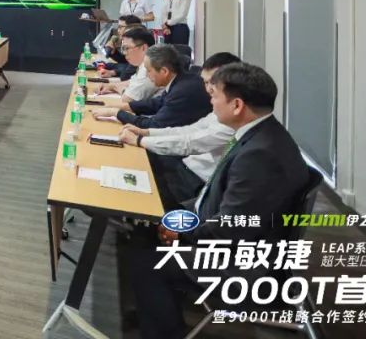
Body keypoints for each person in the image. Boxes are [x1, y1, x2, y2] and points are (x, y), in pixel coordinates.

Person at [126, 63, 309, 339]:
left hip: (243, 262)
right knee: (146, 229)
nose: (210, 102)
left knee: (147, 263)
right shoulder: (261, 135)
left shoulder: (259, 155)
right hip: (229, 233)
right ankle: (155, 309)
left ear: (237, 105)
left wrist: (182, 232)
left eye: (214, 96)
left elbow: (230, 227)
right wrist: (176, 219)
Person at [119, 52, 241, 207]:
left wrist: (140, 140)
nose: (209, 89)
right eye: (206, 82)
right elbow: (189, 130)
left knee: (138, 183)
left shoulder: (232, 119)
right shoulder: (220, 106)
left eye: (213, 83)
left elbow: (190, 142)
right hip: (187, 166)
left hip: (196, 181)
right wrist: (147, 133)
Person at [90, 44, 210, 129]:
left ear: (164, 71)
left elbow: (154, 125)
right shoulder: (179, 80)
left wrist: (116, 113)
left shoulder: (182, 91)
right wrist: (117, 107)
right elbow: (156, 103)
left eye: (148, 71)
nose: (147, 75)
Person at [95, 26, 158, 102]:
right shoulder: (143, 65)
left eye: (127, 48)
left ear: (143, 48)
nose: (124, 53)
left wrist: (115, 87)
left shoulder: (149, 68)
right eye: (123, 49)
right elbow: (131, 82)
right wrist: (110, 86)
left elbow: (128, 98)